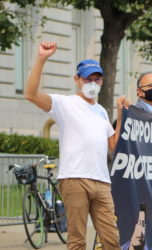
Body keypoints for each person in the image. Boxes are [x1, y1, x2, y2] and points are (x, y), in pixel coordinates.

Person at [24, 41, 123, 249]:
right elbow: (31, 95)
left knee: (112, 239)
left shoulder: (101, 111)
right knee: (77, 240)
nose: (93, 83)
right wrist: (41, 59)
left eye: (97, 79)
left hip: (102, 181)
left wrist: (121, 113)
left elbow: (113, 146)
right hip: (74, 178)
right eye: (88, 78)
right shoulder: (64, 103)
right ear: (77, 79)